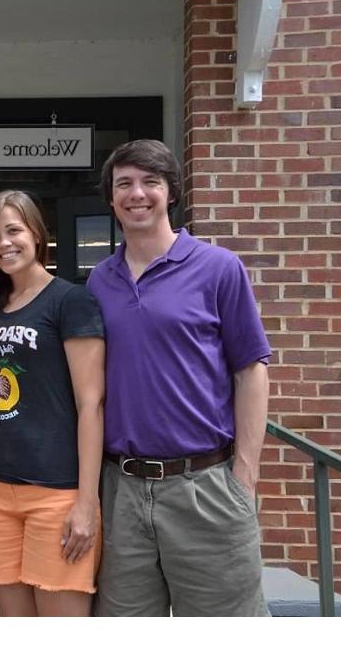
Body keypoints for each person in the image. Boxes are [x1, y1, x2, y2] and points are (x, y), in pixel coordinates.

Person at [87, 139, 271, 616]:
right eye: (124, 183)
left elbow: (251, 371)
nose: (137, 193)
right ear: (110, 198)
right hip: (122, 490)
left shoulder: (218, 268)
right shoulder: (98, 281)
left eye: (151, 181)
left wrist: (244, 477)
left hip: (206, 486)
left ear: (171, 193)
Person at [0, 190, 105, 616]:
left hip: (56, 493)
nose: (4, 243)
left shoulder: (70, 301)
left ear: (37, 235)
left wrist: (86, 501)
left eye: (13, 230)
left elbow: (91, 405)